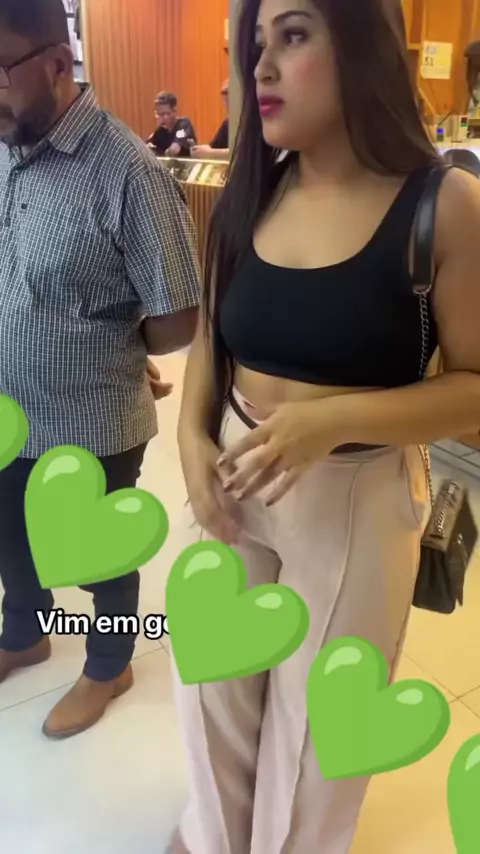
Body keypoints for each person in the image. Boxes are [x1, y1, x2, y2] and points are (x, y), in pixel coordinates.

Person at [171, 0, 480, 851]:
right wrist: (191, 439)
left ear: (359, 44)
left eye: (294, 35)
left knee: (316, 739)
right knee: (212, 702)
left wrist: (333, 418)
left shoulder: (443, 204)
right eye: (255, 44)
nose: (262, 66)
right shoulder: (250, 194)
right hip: (233, 474)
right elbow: (211, 341)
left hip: (355, 494)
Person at [0, 0, 200, 739]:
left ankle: (109, 664)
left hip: (91, 420)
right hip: (8, 412)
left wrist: (106, 341)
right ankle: (24, 633)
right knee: (11, 537)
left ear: (57, 63)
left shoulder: (127, 172)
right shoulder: (8, 143)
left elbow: (178, 316)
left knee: (99, 558)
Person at [147, 91, 197, 157]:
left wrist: (168, 152)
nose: (164, 118)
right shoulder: (159, 132)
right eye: (160, 114)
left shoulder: (184, 124)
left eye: (167, 113)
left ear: (174, 111)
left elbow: (175, 148)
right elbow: (146, 147)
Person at [192, 80, 230, 161]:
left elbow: (239, 152)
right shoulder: (227, 123)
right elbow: (213, 146)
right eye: (225, 103)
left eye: (229, 103)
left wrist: (210, 153)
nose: (226, 107)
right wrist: (200, 150)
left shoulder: (250, 123)